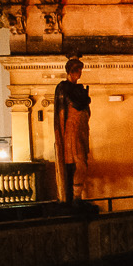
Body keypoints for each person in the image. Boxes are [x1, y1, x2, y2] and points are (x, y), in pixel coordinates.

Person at [53, 56, 92, 201]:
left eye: (80, 71)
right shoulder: (64, 87)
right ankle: (75, 196)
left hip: (81, 129)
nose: (79, 74)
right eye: (78, 71)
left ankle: (77, 195)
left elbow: (84, 107)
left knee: (82, 162)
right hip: (71, 130)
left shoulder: (79, 89)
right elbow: (64, 111)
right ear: (71, 71)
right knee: (77, 162)